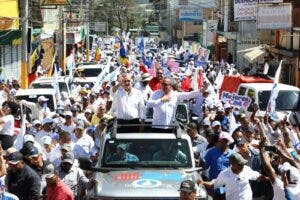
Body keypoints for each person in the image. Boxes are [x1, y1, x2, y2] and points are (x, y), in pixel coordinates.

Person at [199, 153, 266, 200]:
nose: (243, 165)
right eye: (240, 164)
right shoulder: (224, 174)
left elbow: (259, 176)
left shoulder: (246, 169)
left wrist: (272, 179)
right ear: (232, 164)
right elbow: (214, 184)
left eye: (243, 163)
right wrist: (203, 182)